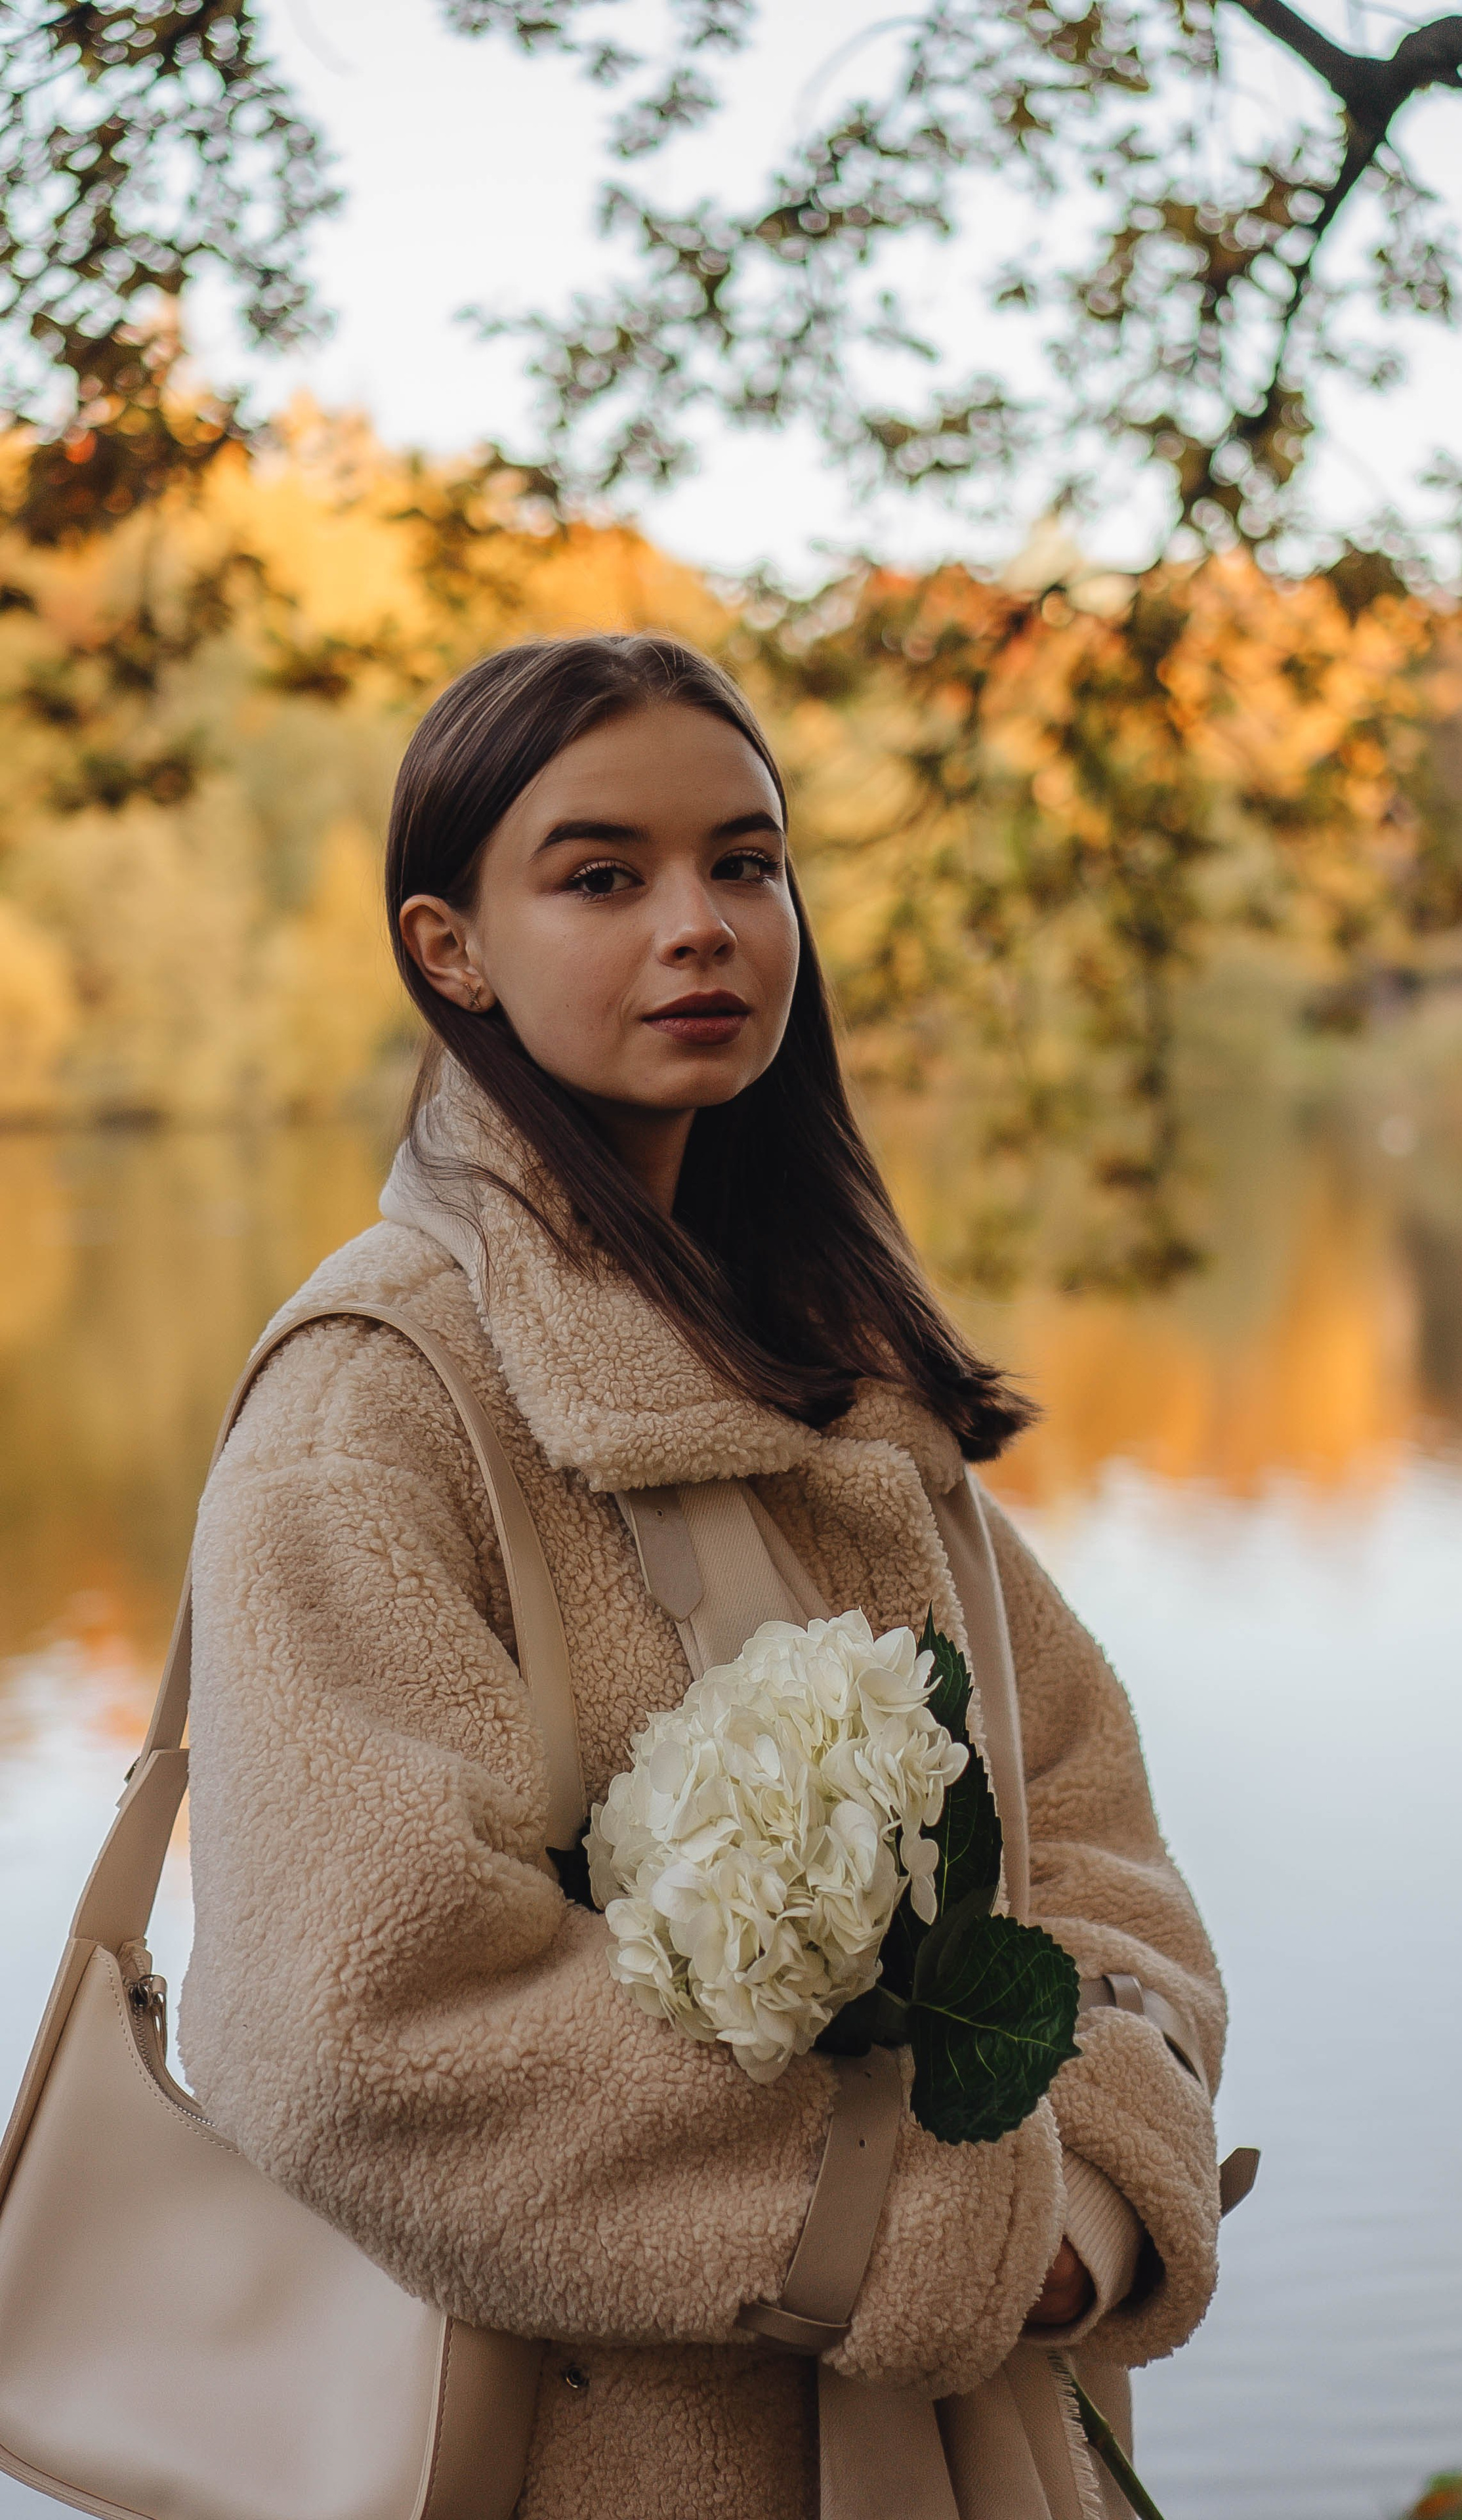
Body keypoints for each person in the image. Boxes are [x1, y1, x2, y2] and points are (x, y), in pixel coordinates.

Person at [178, 633, 1226, 2520]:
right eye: (605, 876)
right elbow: (362, 2031)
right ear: (451, 948)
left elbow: (1085, 1839)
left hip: (971, 2444)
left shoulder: (835, 1367)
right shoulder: (371, 1404)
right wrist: (942, 2230)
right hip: (600, 2452)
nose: (703, 926)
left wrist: (1082, 2197)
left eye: (746, 864)